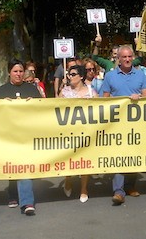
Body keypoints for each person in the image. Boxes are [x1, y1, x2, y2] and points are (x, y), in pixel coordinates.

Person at [100, 45, 146, 205]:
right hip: (117, 124)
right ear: (118, 59)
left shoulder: (141, 74)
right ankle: (118, 191)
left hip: (136, 123)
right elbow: (104, 99)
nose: (127, 59)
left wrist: (140, 98)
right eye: (124, 57)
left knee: (134, 155)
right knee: (119, 156)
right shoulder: (110, 76)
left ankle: (130, 186)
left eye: (130, 57)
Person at [0, 58, 43, 215]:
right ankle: (13, 193)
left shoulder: (32, 90)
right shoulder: (0, 92)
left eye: (21, 71)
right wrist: (1, 105)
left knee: (24, 167)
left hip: (27, 136)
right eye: (15, 71)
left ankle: (27, 202)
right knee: (12, 165)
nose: (18, 74)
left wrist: (35, 103)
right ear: (9, 73)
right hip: (8, 136)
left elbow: (43, 110)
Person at [59, 65, 98, 202]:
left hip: (86, 131)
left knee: (85, 159)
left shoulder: (91, 92)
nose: (70, 76)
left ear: (81, 76)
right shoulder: (65, 92)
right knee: (69, 157)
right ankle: (68, 179)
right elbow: (57, 109)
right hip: (69, 131)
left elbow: (100, 109)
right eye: (69, 74)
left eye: (73, 74)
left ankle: (83, 188)